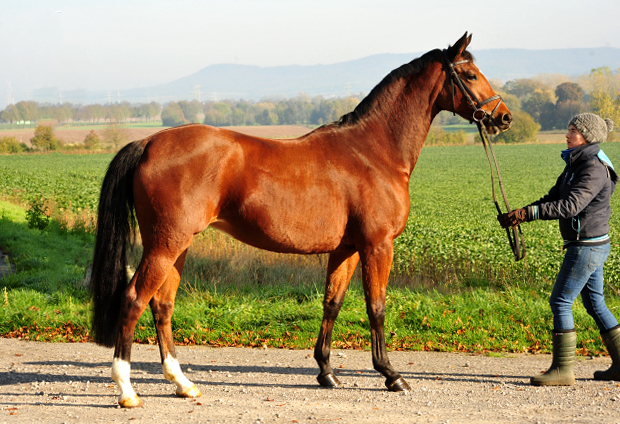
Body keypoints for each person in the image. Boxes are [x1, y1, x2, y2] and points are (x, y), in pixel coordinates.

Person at [498, 113, 618, 386]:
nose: (567, 134)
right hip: (591, 244)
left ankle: (563, 370)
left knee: (560, 301)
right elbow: (554, 196)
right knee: (594, 303)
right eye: (569, 129)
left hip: (586, 246)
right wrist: (519, 213)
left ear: (587, 136)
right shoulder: (577, 163)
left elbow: (570, 206)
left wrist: (529, 214)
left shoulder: (593, 168)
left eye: (573, 130)